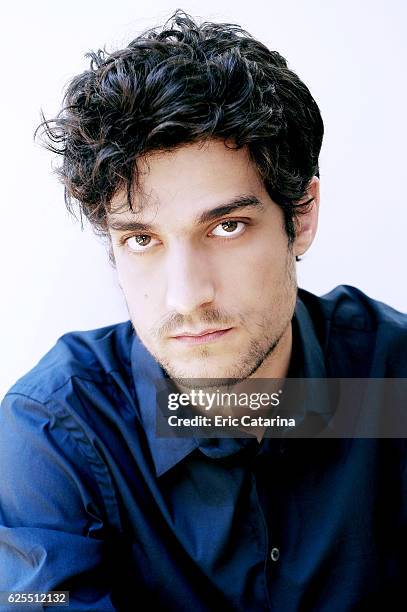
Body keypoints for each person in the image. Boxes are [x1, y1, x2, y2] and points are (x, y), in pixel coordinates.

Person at [0, 9, 406, 611]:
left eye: (227, 226)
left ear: (302, 216)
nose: (186, 296)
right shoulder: (57, 431)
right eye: (142, 239)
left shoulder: (390, 380)